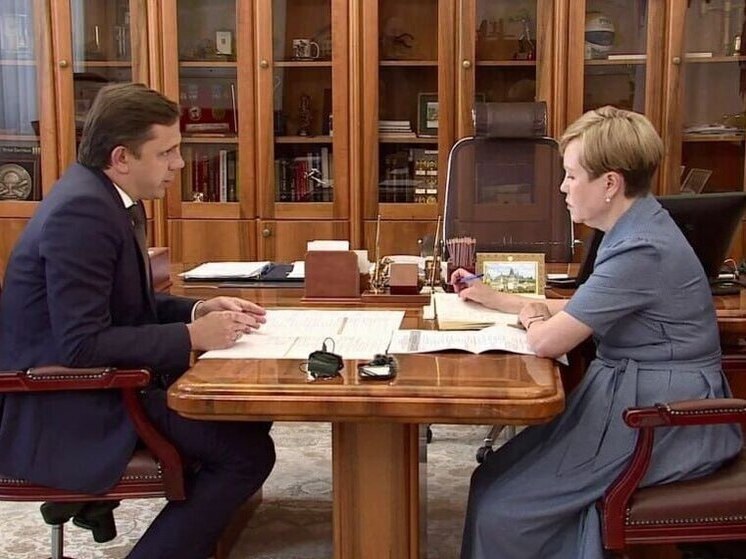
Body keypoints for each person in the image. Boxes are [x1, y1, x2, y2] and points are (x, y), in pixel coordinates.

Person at [0, 82, 275, 559]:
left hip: (102, 383)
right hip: (69, 401)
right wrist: (190, 336)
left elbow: (128, 306)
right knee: (246, 454)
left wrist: (198, 310)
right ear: (122, 158)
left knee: (247, 415)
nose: (179, 164)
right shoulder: (82, 214)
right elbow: (82, 346)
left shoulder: (104, 196)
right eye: (166, 152)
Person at [455, 106, 742, 559]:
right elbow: (588, 307)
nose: (562, 187)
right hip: (635, 397)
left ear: (609, 184)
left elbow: (548, 341)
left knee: (504, 506)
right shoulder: (636, 225)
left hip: (663, 418)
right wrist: (499, 299)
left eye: (571, 176)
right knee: (495, 475)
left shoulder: (640, 248)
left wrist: (532, 318)